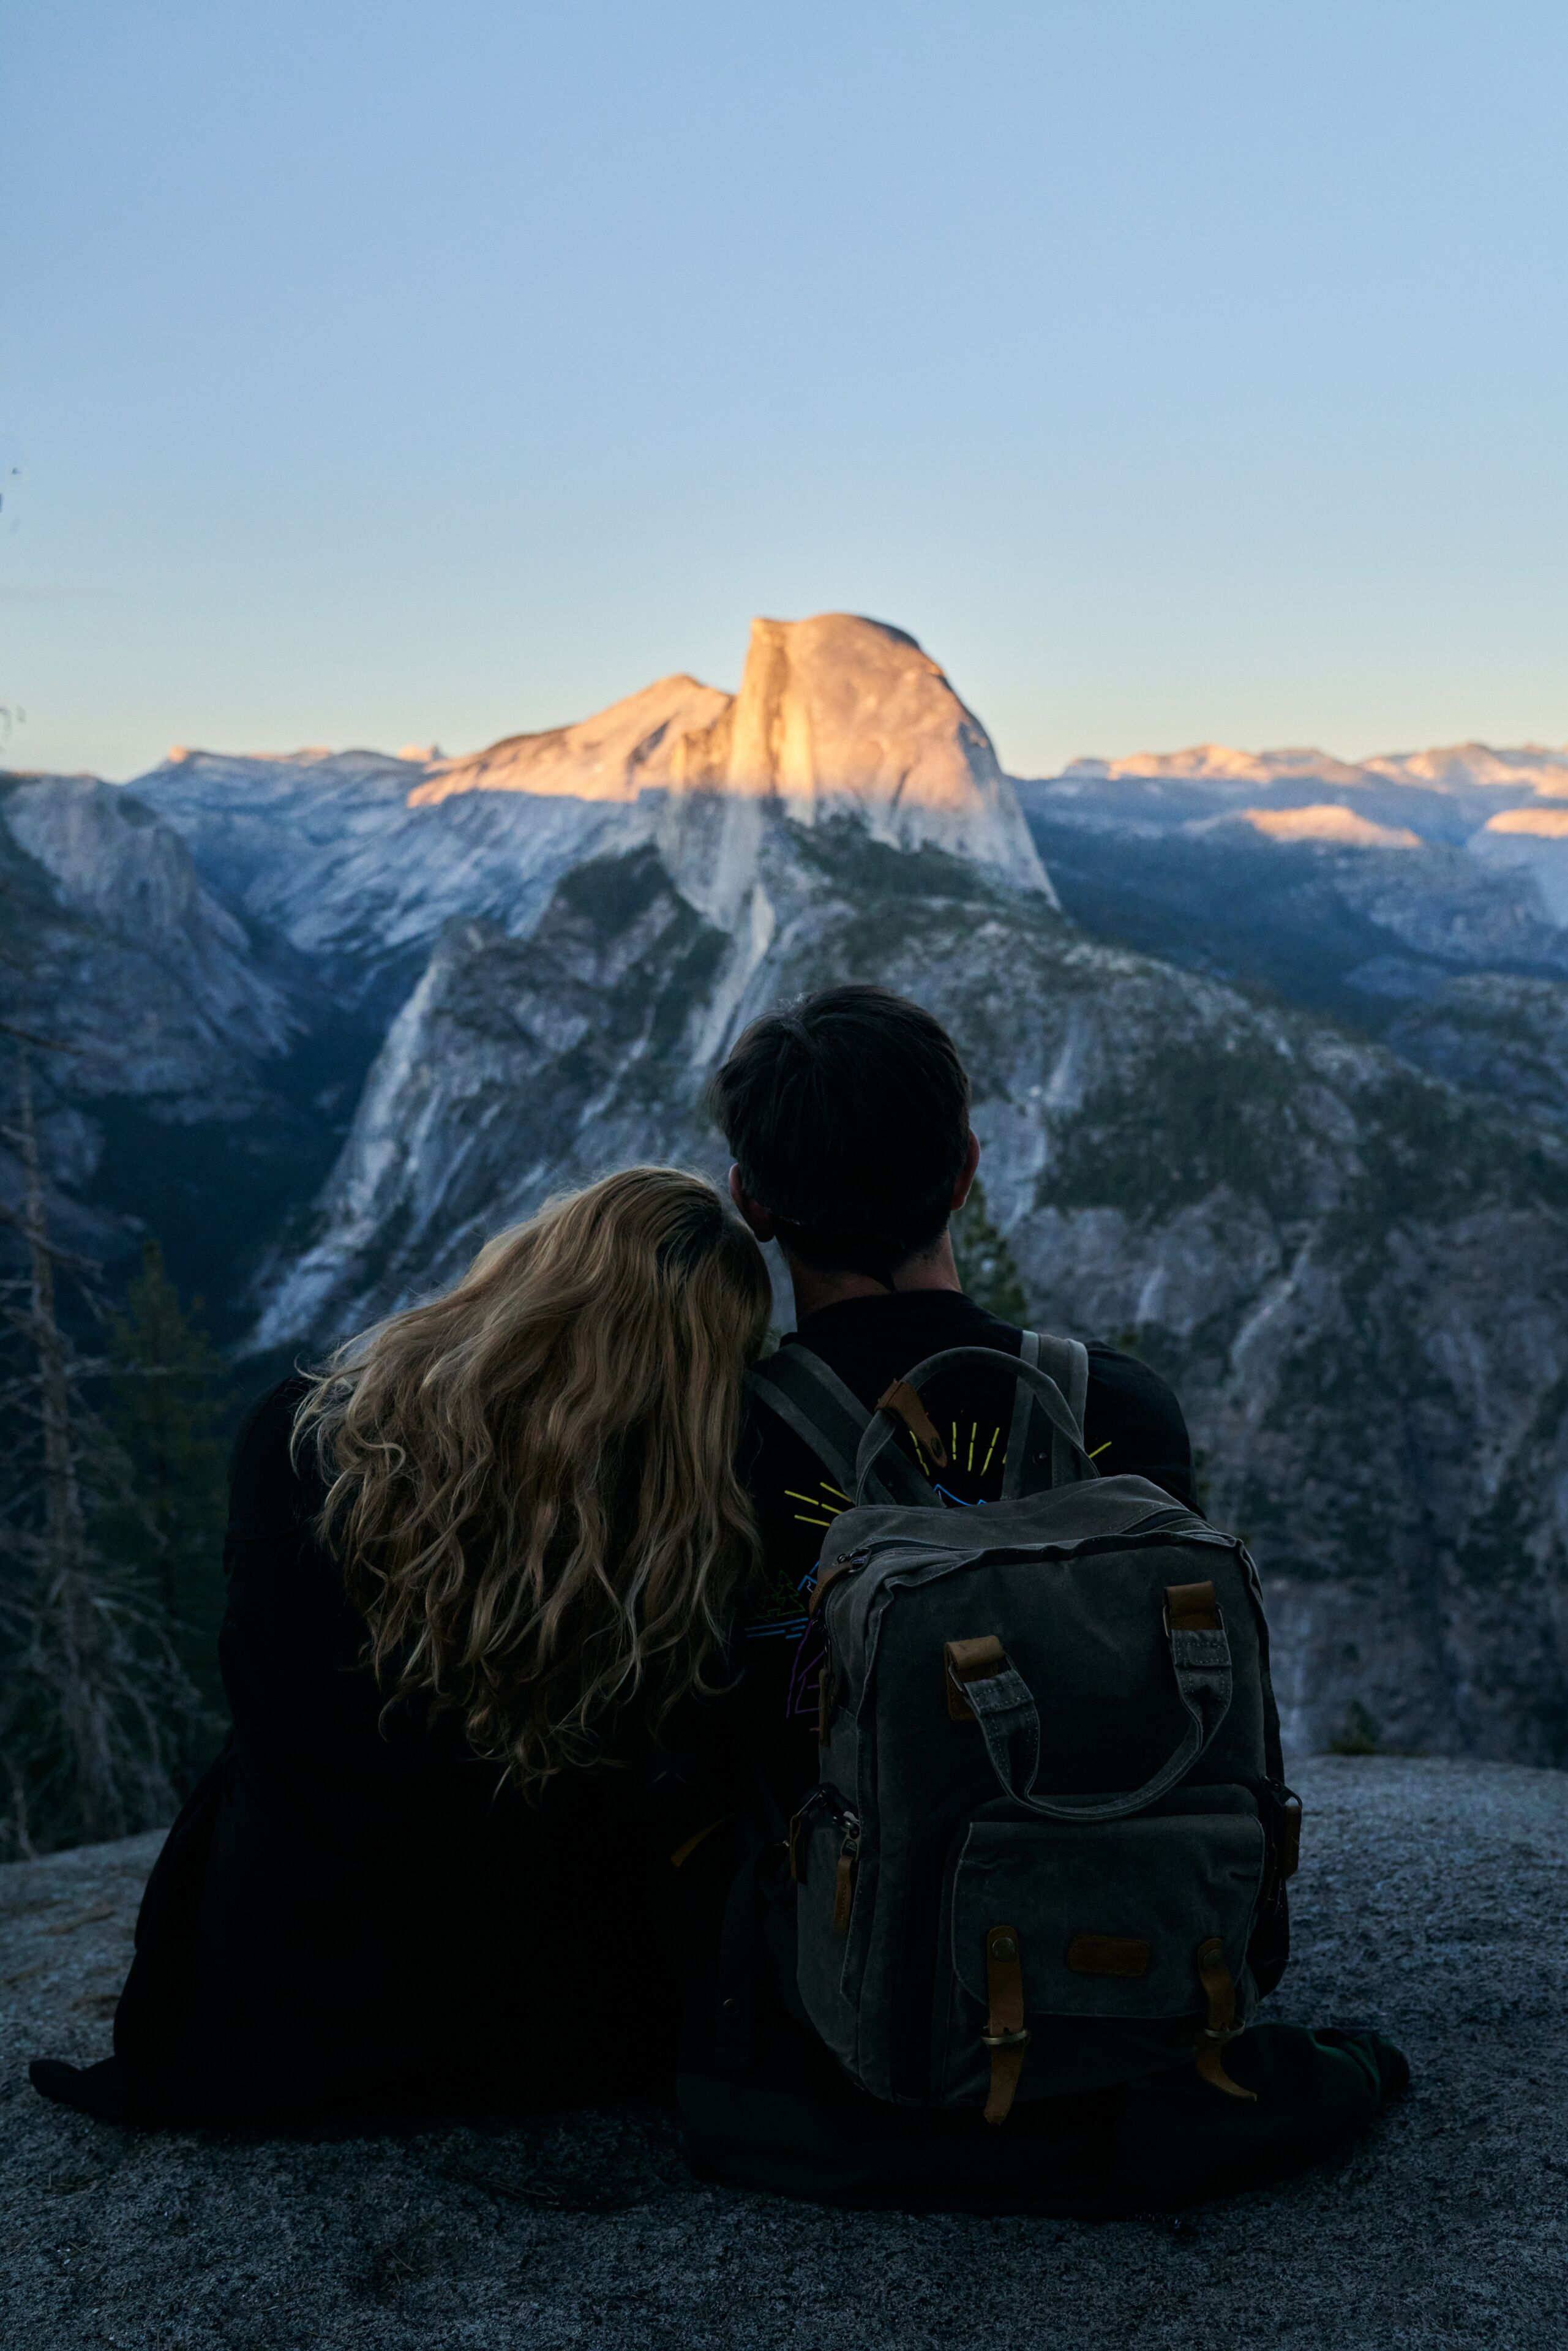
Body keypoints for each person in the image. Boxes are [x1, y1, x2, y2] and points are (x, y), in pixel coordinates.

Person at [669, 983, 1408, 2212]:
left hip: (834, 1995)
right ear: (966, 1173)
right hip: (1132, 1966)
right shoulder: (1119, 1409)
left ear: (751, 1203)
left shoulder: (720, 1439)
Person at [31, 1167, 772, 2126]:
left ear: (529, 1273)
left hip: (292, 2012)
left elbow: (266, 1714)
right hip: (564, 2030)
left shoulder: (302, 1443)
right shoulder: (694, 1533)